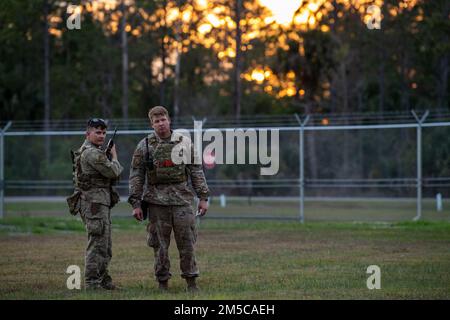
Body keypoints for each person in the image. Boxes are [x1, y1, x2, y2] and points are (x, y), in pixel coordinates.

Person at [128, 106, 209, 292]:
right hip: (157, 202)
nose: (161, 124)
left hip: (182, 201)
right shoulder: (145, 146)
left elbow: (196, 170)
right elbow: (136, 176)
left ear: (169, 120)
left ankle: (191, 282)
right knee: (159, 246)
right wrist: (136, 203)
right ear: (152, 124)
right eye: (156, 121)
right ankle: (162, 282)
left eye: (163, 119)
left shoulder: (184, 142)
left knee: (187, 243)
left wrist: (203, 197)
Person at [67, 118, 123, 290]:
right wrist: (114, 156)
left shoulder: (95, 151)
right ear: (88, 133)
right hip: (93, 203)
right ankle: (92, 283)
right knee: (97, 244)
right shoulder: (91, 153)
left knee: (105, 245)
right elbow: (114, 171)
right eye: (97, 132)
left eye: (104, 132)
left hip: (99, 202)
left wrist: (107, 157)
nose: (101, 136)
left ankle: (103, 279)